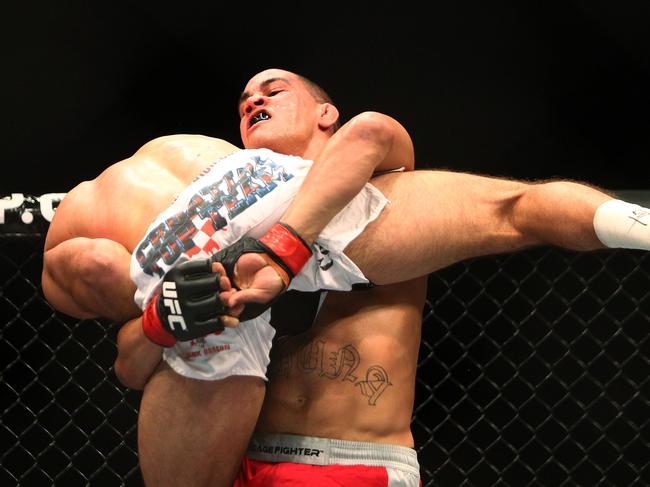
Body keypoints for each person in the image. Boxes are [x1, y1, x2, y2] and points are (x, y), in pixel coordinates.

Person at [41, 68, 650, 486]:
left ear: (326, 112)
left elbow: (384, 137)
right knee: (194, 336)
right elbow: (129, 367)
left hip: (355, 458)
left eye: (273, 91)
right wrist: (162, 320)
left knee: (513, 207)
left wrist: (281, 250)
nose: (254, 101)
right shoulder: (217, 226)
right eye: (244, 105)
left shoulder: (382, 183)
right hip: (245, 458)